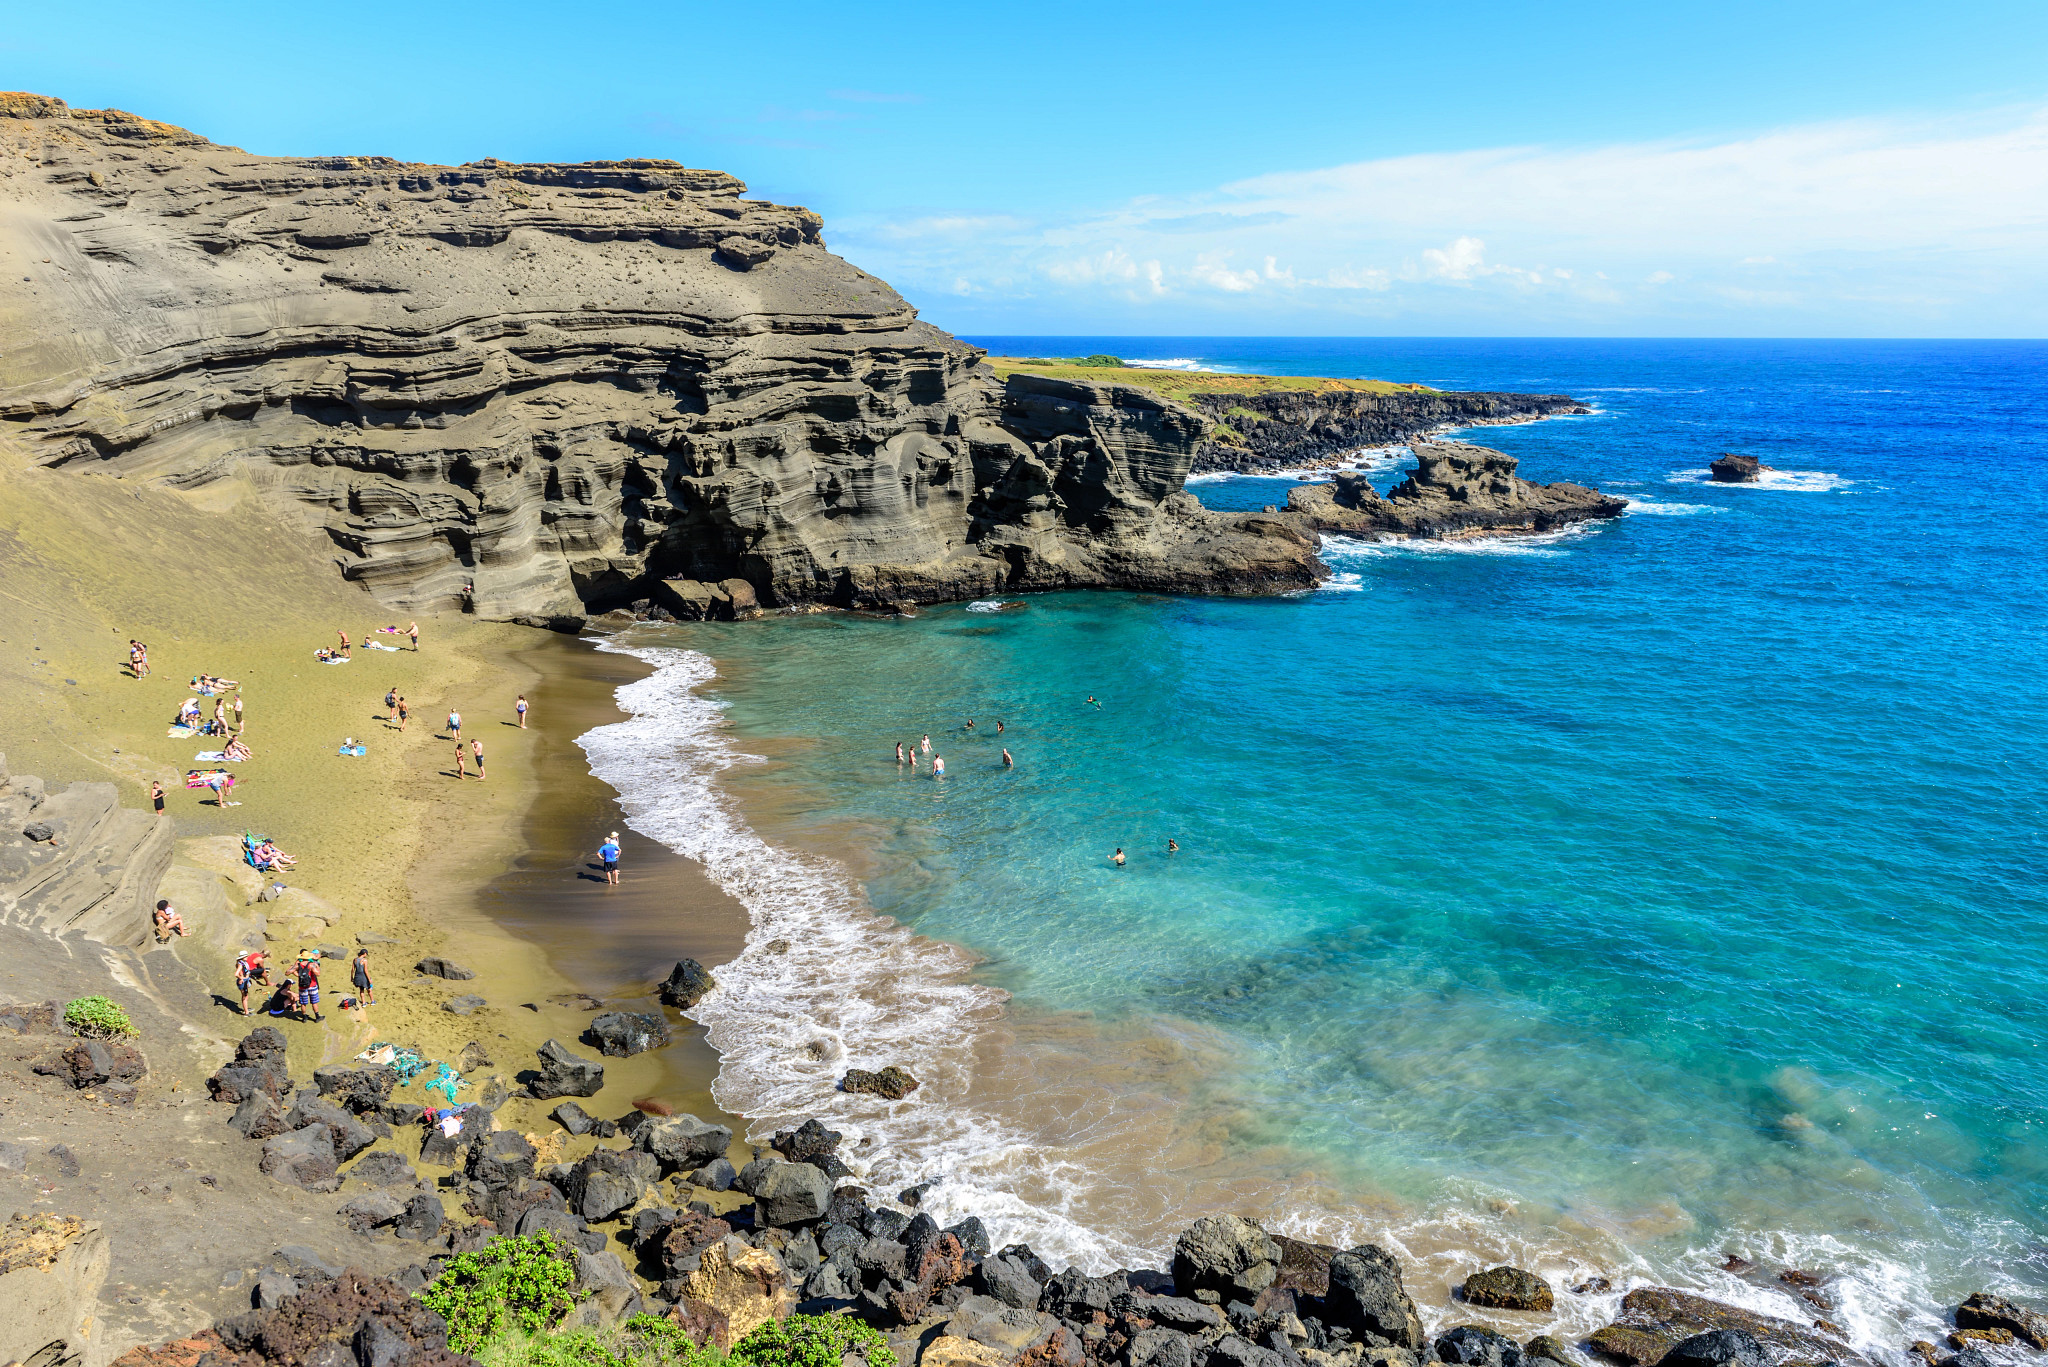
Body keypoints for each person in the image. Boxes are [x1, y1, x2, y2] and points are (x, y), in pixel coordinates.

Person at [236, 949, 268, 1016]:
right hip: (243, 982)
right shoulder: (240, 964)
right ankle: (246, 1013)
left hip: (246, 980)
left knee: (245, 996)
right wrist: (241, 978)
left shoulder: (242, 962)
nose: (247, 957)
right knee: (245, 997)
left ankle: (246, 1009)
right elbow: (236, 974)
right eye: (245, 956)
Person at [298, 954, 323, 1023]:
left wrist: (298, 975)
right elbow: (318, 974)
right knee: (314, 1002)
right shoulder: (311, 965)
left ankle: (304, 1017)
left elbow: (287, 972)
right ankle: (317, 1016)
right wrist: (317, 966)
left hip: (302, 986)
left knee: (303, 1003)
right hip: (312, 985)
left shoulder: (298, 964)